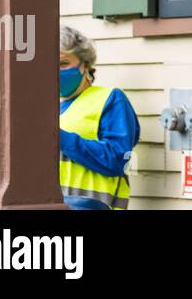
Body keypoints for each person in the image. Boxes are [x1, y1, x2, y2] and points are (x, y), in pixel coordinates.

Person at [58, 25, 139, 209]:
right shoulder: (40, 107)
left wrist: (61, 138)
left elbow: (119, 159)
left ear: (84, 64)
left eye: (63, 63)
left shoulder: (110, 100)